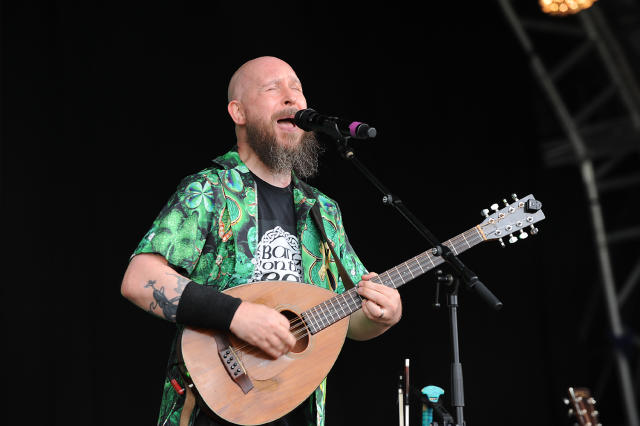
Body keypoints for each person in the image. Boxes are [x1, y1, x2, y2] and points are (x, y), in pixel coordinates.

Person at [121, 56, 402, 426]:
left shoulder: (322, 209)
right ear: (238, 112)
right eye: (273, 88)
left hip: (295, 409)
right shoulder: (210, 190)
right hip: (212, 408)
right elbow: (139, 279)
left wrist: (383, 316)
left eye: (297, 88)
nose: (291, 99)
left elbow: (349, 320)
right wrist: (237, 314)